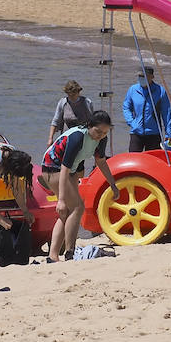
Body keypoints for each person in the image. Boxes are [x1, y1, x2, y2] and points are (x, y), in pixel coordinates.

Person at [40, 111, 118, 263]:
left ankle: (53, 256)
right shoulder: (77, 137)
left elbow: (101, 162)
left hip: (70, 170)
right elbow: (64, 168)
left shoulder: (101, 139)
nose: (100, 135)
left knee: (67, 212)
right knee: (77, 208)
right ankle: (70, 253)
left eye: (104, 133)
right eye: (98, 131)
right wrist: (60, 200)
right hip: (52, 167)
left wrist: (113, 184)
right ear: (90, 125)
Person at [121, 67, 171, 152]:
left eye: (144, 76)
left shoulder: (160, 91)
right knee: (134, 159)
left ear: (152, 77)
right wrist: (131, 122)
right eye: (140, 76)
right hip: (136, 133)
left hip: (154, 133)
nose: (141, 78)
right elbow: (126, 107)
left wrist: (168, 132)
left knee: (153, 161)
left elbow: (166, 113)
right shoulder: (133, 90)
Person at [48, 80, 97, 147]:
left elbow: (92, 121)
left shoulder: (87, 102)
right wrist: (50, 138)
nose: (72, 96)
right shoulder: (63, 103)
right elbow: (55, 121)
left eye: (74, 94)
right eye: (69, 94)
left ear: (79, 92)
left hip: (83, 138)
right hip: (66, 138)